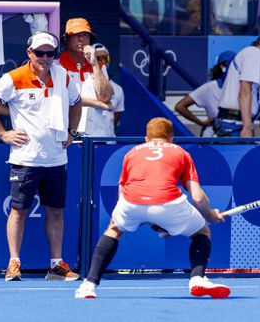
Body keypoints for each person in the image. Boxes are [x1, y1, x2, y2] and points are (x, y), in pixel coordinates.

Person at [74, 117, 230, 299]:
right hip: (168, 202)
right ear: (171, 138)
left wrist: (147, 217)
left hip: (131, 202)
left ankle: (89, 285)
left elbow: (122, 193)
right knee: (202, 232)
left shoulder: (132, 152)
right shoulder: (181, 152)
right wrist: (209, 214)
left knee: (114, 229)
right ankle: (197, 278)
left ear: (146, 138)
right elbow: (197, 197)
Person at [0, 31, 83, 282]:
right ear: (30, 53)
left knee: (56, 211)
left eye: (50, 53)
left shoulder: (63, 76)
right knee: (19, 211)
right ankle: (14, 263)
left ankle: (56, 265)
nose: (45, 58)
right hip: (26, 159)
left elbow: (77, 102)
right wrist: (3, 134)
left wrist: (72, 132)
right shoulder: (13, 78)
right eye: (40, 53)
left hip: (57, 158)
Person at [215, 31, 260, 137]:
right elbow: (244, 91)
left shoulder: (250, 53)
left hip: (232, 122)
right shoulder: (255, 53)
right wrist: (247, 126)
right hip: (235, 123)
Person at [58, 18, 114, 135]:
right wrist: (98, 104)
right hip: (67, 136)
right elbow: (64, 98)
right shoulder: (57, 66)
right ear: (66, 39)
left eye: (85, 35)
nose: (81, 38)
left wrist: (94, 64)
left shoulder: (98, 66)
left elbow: (106, 97)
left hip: (96, 135)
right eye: (76, 35)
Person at [174, 50, 236, 137]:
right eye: (233, 65)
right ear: (222, 66)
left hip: (237, 131)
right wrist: (201, 123)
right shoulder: (210, 87)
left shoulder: (243, 87)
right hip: (214, 133)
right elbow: (180, 106)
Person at [91, 43, 125, 137]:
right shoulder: (84, 84)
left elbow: (117, 116)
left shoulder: (118, 89)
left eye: (105, 58)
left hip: (109, 141)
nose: (103, 62)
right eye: (98, 59)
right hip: (90, 142)